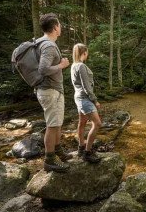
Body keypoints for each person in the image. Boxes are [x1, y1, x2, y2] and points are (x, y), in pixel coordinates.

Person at [35, 13, 72, 172]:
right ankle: (49, 159)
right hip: (49, 90)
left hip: (51, 90)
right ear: (55, 27)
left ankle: (57, 150)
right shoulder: (48, 45)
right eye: (60, 25)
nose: (61, 27)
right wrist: (62, 66)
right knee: (52, 124)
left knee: (57, 122)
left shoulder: (40, 42)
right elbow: (43, 69)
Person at [71, 43, 102, 163]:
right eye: (87, 52)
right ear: (84, 53)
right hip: (85, 98)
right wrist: (95, 100)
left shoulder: (74, 65)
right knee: (97, 124)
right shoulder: (81, 66)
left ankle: (80, 147)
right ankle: (87, 152)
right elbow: (86, 86)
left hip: (78, 97)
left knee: (82, 122)